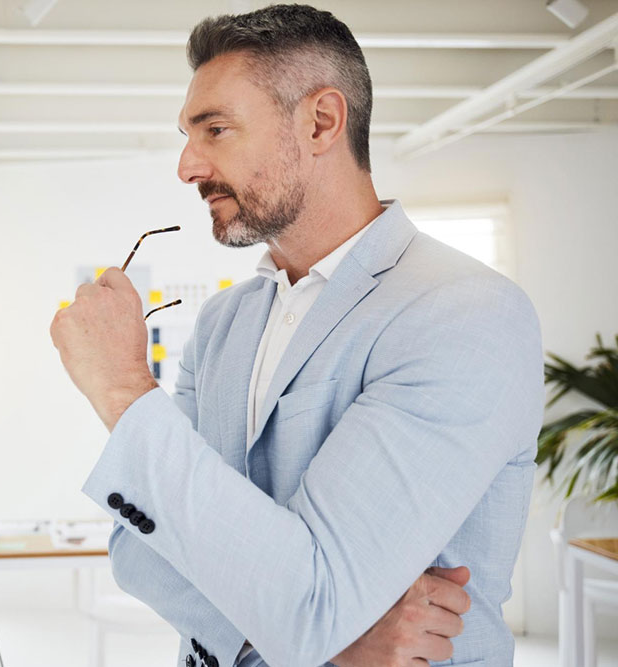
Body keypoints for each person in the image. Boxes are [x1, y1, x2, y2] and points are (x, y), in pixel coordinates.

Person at [49, 5, 544, 666]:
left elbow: (309, 600)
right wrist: (311, 634)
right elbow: (137, 549)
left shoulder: (465, 313)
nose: (187, 166)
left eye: (214, 129)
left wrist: (122, 386)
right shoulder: (223, 324)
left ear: (320, 121)